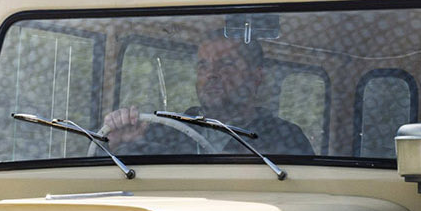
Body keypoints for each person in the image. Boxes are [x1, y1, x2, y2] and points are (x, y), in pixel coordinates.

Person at [103, 35, 314, 157]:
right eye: (203, 66)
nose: (212, 74)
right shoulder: (166, 130)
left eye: (227, 64)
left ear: (255, 77)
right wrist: (119, 143)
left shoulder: (285, 137)